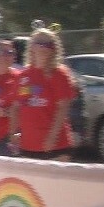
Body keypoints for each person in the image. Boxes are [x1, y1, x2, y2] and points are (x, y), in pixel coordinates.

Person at [15, 28, 78, 161]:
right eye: (39, 42)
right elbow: (20, 106)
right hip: (28, 145)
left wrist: (52, 137)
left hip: (55, 145)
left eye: (48, 43)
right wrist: (16, 133)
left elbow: (63, 108)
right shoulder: (23, 75)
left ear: (54, 48)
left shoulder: (59, 73)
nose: (43, 46)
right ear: (31, 46)